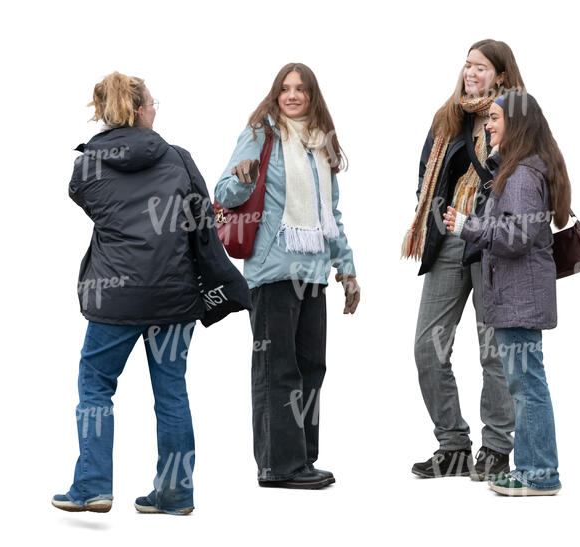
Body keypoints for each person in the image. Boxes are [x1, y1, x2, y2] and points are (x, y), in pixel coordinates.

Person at [53, 71, 220, 515]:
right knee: (171, 392)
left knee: (95, 385)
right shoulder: (180, 159)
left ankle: (91, 486)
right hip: (174, 295)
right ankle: (176, 494)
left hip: (116, 297)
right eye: (153, 103)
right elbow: (203, 220)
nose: (155, 109)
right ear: (140, 110)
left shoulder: (88, 165)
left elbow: (85, 199)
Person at [215, 62, 359, 489]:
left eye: (301, 89)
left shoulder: (321, 146)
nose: (292, 95)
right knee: (278, 370)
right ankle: (278, 465)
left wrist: (347, 268)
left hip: (313, 274)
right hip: (273, 271)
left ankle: (302, 459)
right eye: (285, 88)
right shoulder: (261, 134)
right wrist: (242, 179)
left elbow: (329, 215)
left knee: (311, 367)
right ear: (275, 94)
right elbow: (224, 192)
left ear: (312, 96)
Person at [402, 40, 525, 480]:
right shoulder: (449, 116)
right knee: (427, 347)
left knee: (493, 352)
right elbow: (426, 172)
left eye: (480, 66)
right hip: (450, 238)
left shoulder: (515, 119)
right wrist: (432, 214)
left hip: (492, 240)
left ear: (501, 76)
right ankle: (452, 444)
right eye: (467, 64)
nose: (470, 71)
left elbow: (524, 175)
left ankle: (495, 448)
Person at [444, 91, 571, 496]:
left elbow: (516, 236)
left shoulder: (519, 176)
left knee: (526, 385)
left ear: (516, 123)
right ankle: (535, 470)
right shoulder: (519, 170)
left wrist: (468, 227)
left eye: (495, 118)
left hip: (519, 298)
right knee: (526, 383)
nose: (488, 125)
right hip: (519, 296)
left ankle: (539, 473)